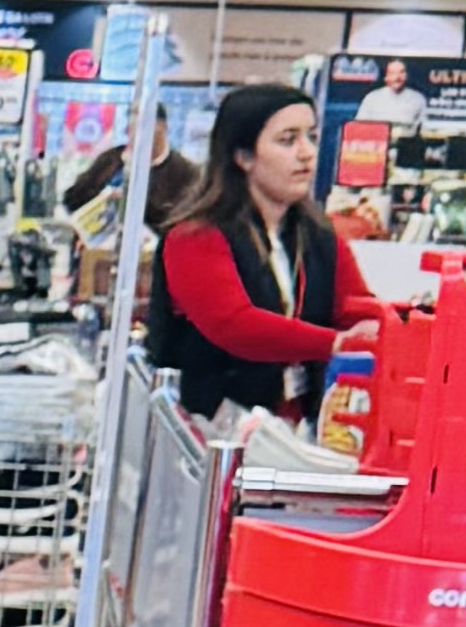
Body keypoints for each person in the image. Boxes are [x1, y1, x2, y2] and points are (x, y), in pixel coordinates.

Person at [152, 80, 367, 419]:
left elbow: (356, 308)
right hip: (206, 430)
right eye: (288, 140)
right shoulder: (194, 237)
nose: (307, 152)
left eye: (311, 136)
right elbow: (235, 326)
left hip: (300, 426)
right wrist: (337, 343)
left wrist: (395, 325)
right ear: (243, 156)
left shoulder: (321, 235)